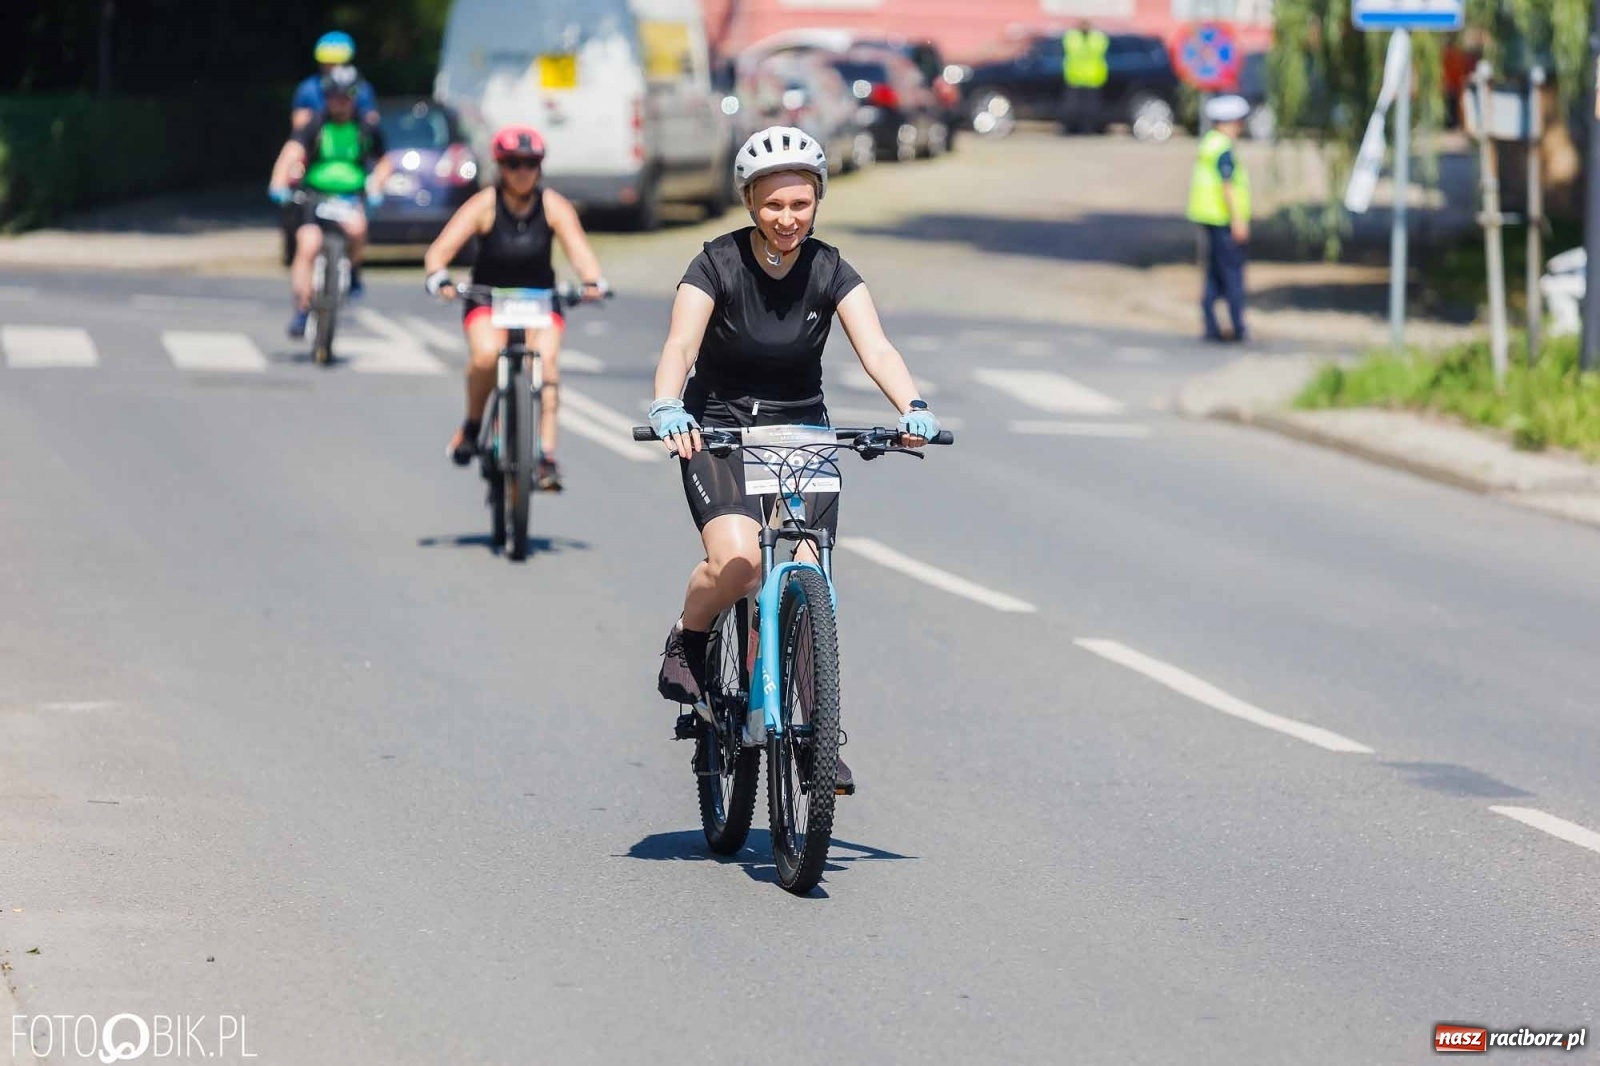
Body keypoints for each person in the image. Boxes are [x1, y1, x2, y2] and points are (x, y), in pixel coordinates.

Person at [647, 125, 942, 795]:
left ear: (817, 203)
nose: (787, 219)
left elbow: (878, 348)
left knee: (810, 581)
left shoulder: (831, 268)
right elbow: (679, 344)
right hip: (720, 428)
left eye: (800, 205)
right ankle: (689, 640)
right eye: (773, 205)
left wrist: (912, 405)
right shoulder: (714, 264)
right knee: (742, 561)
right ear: (750, 200)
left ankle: (814, 739)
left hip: (802, 431)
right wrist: (668, 404)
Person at [421, 127, 608, 493]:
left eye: (531, 163)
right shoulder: (484, 205)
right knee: (486, 356)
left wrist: (592, 281)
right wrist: (438, 277)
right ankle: (473, 426)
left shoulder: (553, 205)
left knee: (547, 364)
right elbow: (438, 252)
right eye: (513, 164)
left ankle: (545, 456)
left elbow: (579, 250)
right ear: (500, 167)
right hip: (487, 299)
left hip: (540, 300)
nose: (522, 171)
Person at [267, 66, 393, 338]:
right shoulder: (316, 123)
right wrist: (278, 182)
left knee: (357, 229)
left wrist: (376, 186)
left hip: (349, 195)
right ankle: (302, 308)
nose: (341, 102)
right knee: (307, 244)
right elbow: (292, 151)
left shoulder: (366, 125)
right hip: (315, 195)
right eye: (335, 96)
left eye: (346, 96)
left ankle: (354, 270)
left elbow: (384, 161)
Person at [1187, 94, 1252, 343]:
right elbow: (1228, 187)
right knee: (1232, 274)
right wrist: (1238, 220)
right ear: (1230, 122)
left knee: (1213, 274)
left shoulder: (1208, 143)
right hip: (1223, 219)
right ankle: (1238, 326)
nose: (1240, 127)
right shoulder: (1223, 149)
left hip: (1207, 217)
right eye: (1238, 122)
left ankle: (1211, 325)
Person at [291, 32, 380, 130]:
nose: (331, 69)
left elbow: (372, 122)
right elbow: (298, 124)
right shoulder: (308, 89)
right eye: (327, 64)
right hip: (318, 142)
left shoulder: (362, 88)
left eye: (336, 64)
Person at [1061, 21, 1109, 135]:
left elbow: (1097, 49)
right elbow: (1072, 49)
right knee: (1073, 108)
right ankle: (1073, 129)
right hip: (1075, 78)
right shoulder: (1072, 36)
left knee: (1091, 109)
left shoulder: (1097, 37)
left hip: (1093, 79)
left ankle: (1089, 129)